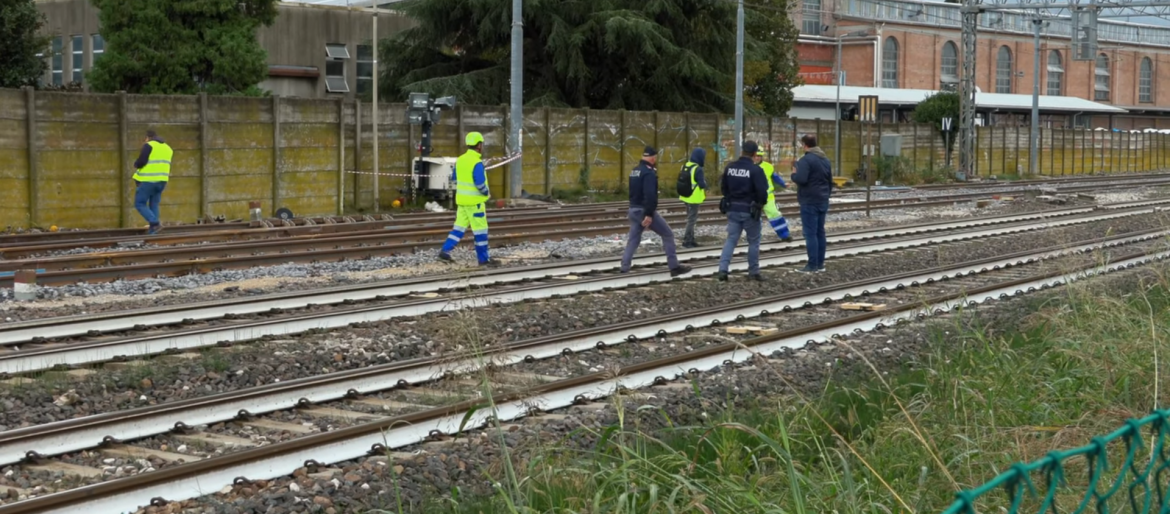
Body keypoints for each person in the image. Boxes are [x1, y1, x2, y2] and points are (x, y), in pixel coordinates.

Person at [621, 146, 692, 277]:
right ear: (653, 158)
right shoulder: (649, 173)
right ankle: (674, 267)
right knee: (668, 234)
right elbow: (650, 195)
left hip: (633, 209)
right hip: (644, 211)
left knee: (633, 239)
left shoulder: (634, 171)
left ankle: (624, 266)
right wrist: (649, 214)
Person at [438, 132, 497, 266]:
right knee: (480, 232)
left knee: (458, 229)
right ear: (479, 145)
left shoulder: (461, 160)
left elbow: (455, 178)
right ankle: (483, 260)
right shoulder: (477, 162)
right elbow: (479, 183)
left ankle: (445, 252)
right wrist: (486, 193)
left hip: (462, 202)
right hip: (475, 203)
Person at [716, 141, 769, 282]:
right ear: (754, 154)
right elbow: (762, 192)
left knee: (731, 240)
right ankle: (753, 272)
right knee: (753, 241)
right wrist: (760, 204)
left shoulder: (730, 167)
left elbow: (724, 188)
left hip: (733, 208)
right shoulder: (756, 170)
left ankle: (722, 270)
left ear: (742, 151)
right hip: (749, 210)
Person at [790, 134, 834, 273]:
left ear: (805, 145)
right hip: (823, 199)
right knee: (820, 232)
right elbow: (830, 181)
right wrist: (826, 195)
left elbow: (801, 179)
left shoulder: (805, 160)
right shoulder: (825, 160)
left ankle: (812, 265)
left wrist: (793, 174)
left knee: (810, 234)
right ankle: (820, 264)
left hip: (809, 201)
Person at [132, 130, 173, 235]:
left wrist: (136, 164)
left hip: (148, 180)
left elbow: (141, 162)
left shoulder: (149, 145)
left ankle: (155, 223)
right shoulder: (168, 148)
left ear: (148, 137)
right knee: (154, 204)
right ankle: (153, 233)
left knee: (140, 203)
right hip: (162, 181)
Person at [753, 156, 793, 242]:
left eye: (759, 156)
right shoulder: (749, 166)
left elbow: (775, 177)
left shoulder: (768, 166)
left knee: (775, 215)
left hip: (768, 196)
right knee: (754, 218)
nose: (757, 158)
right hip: (754, 197)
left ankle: (785, 235)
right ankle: (755, 239)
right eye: (755, 156)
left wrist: (783, 184)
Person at [678, 148, 708, 248]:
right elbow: (702, 184)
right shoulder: (698, 169)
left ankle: (691, 239)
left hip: (685, 196)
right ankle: (687, 240)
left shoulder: (685, 165)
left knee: (690, 218)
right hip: (694, 198)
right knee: (692, 220)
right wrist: (706, 184)